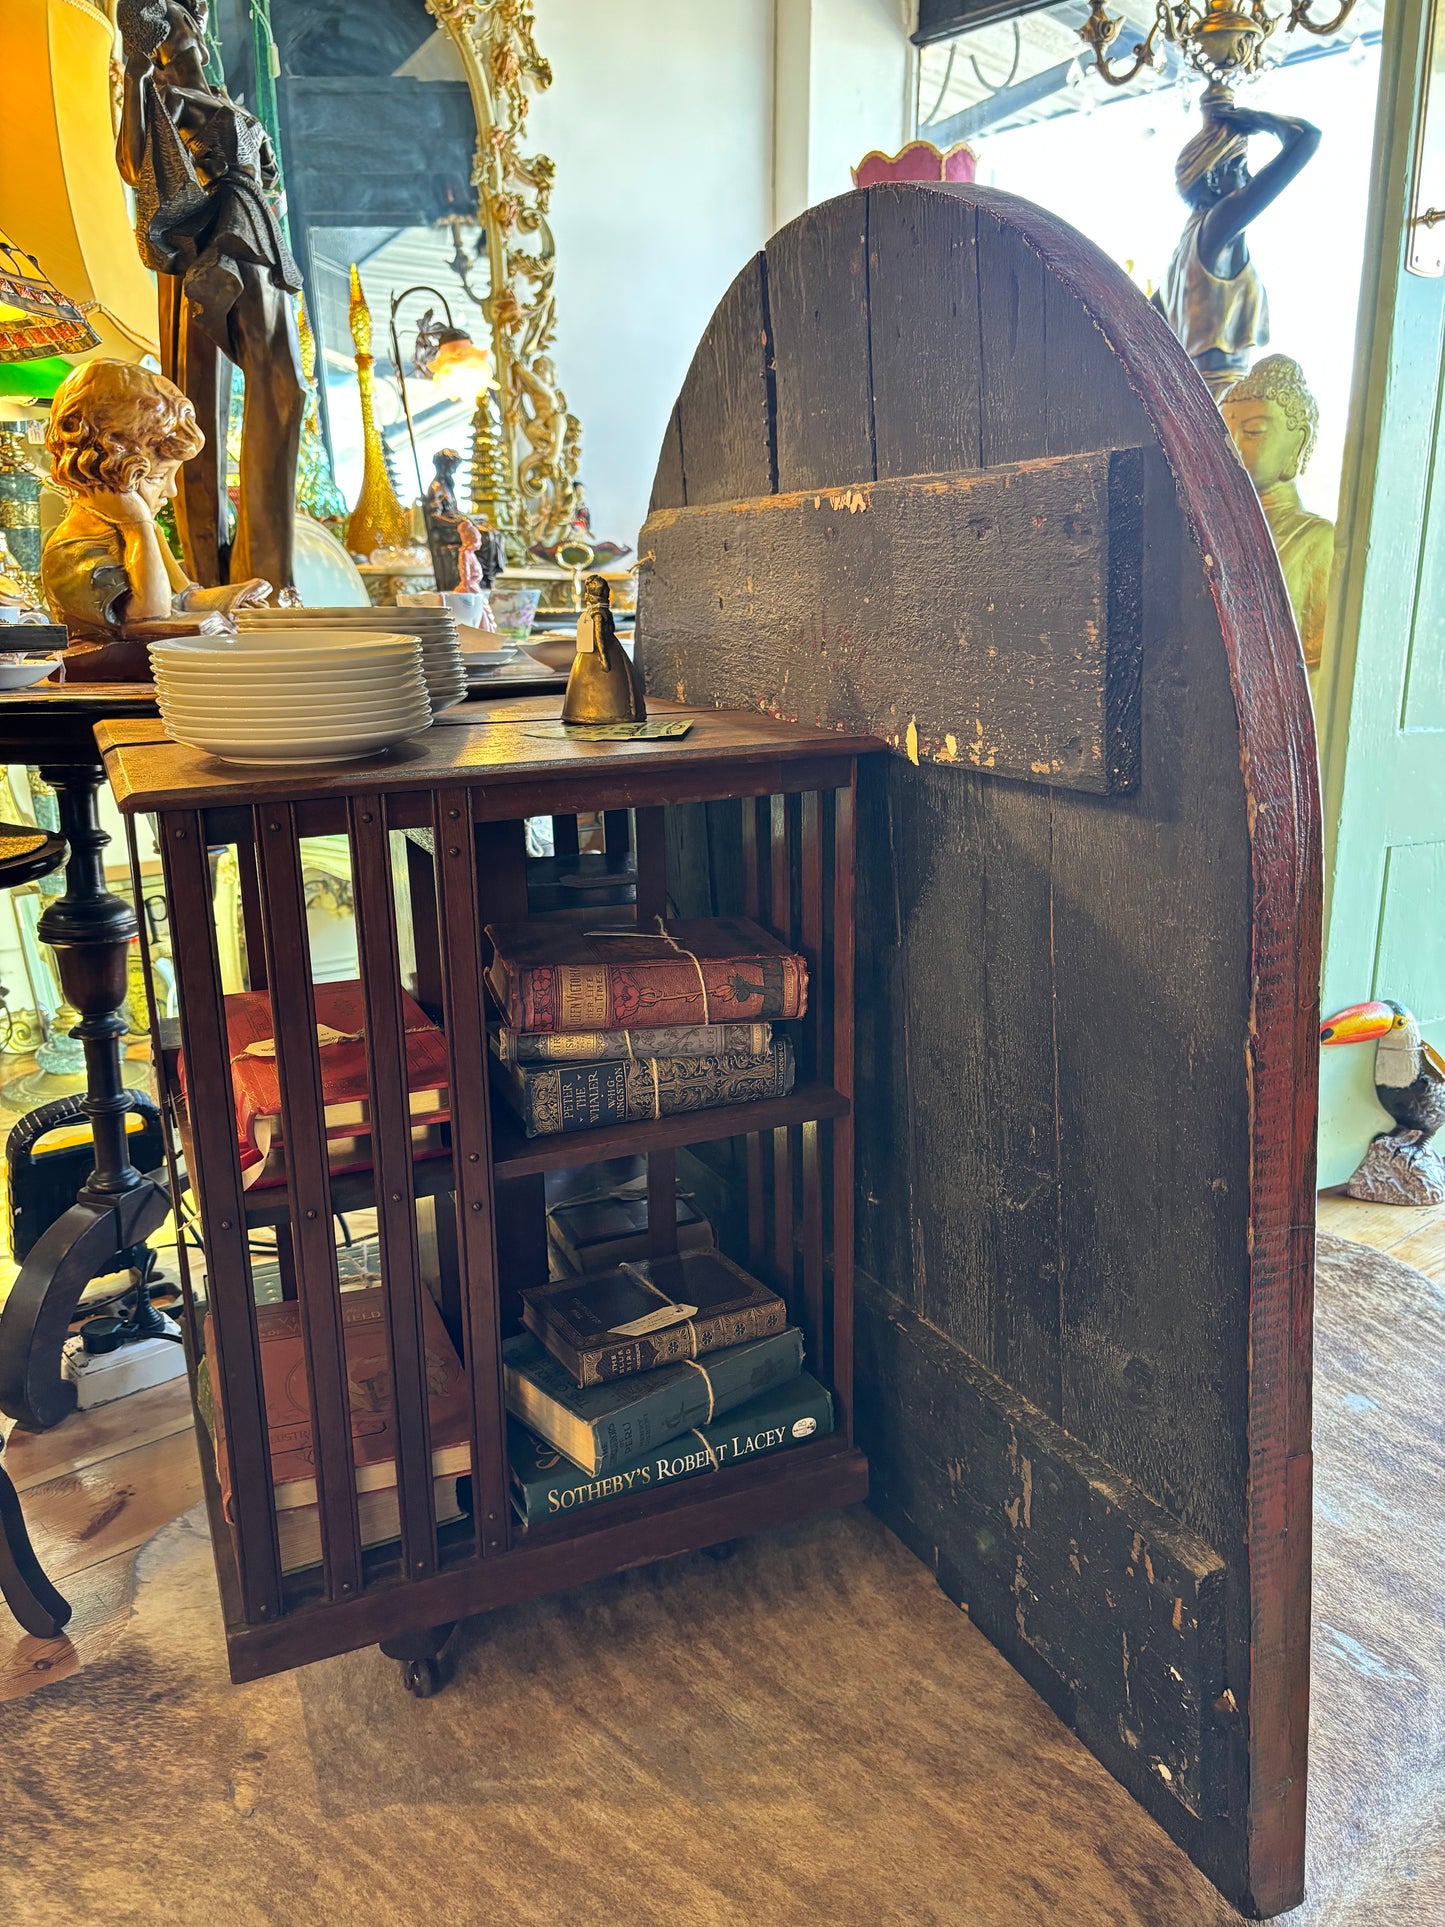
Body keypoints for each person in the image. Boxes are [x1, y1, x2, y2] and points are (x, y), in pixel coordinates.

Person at [115, 0, 305, 594]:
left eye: (187, 34)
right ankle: (207, 576)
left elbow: (268, 174)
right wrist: (136, 76)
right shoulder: (168, 97)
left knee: (286, 390)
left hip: (262, 240)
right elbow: (131, 163)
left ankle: (268, 576)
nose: (183, 45)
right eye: (167, 40)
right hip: (208, 242)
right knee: (192, 404)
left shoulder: (233, 108)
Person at [41, 361, 268, 681]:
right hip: (107, 665)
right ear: (103, 473)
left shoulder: (143, 531)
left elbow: (184, 598)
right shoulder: (73, 549)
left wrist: (236, 600)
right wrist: (138, 525)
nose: (172, 490)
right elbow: (150, 616)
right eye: (160, 476)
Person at [1159, 95, 1320, 402]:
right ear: (1213, 178)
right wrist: (1251, 118)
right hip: (1226, 401)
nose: (1247, 178)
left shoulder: (1182, 252)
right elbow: (1307, 138)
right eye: (1241, 168)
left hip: (1192, 401)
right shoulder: (1217, 226)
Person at [1221, 356, 1334, 669]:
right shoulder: (1221, 532)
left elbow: (1317, 668)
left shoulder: (1316, 540)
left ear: (1300, 441)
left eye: (1253, 431)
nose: (1234, 446)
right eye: (1225, 433)